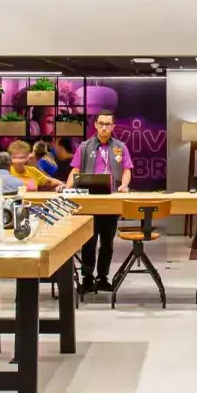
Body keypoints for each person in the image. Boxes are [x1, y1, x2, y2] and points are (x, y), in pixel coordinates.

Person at [74, 111, 134, 292]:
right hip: (90, 202)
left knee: (107, 242)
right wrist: (66, 188)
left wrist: (124, 185)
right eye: (101, 124)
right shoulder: (85, 147)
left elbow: (127, 169)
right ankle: (87, 278)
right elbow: (75, 169)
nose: (104, 127)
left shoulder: (120, 147)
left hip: (111, 202)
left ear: (113, 126)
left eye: (108, 124)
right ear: (96, 125)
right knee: (89, 242)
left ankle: (102, 277)